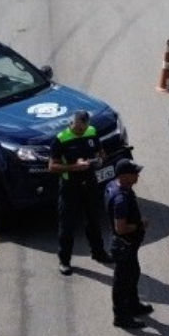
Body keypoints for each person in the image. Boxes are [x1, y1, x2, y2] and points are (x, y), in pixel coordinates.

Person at [49, 109, 113, 275]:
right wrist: (74, 167)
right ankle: (64, 260)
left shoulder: (91, 132)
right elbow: (52, 166)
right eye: (77, 129)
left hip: (90, 182)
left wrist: (99, 159)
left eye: (82, 129)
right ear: (72, 123)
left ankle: (98, 252)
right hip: (70, 185)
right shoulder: (61, 139)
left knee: (93, 220)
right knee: (67, 225)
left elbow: (101, 153)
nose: (80, 131)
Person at [106, 158, 153, 329]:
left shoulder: (115, 185)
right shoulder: (121, 199)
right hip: (123, 245)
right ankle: (121, 316)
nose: (138, 176)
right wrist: (140, 224)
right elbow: (121, 228)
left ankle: (133, 305)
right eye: (135, 173)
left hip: (128, 246)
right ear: (125, 176)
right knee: (123, 282)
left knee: (133, 274)